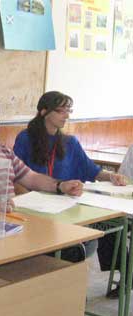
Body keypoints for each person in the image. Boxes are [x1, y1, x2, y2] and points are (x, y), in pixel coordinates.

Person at [13, 91, 128, 298]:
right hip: (35, 208)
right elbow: (17, 177)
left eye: (69, 111)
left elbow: (92, 170)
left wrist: (110, 177)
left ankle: (125, 274)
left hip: (66, 207)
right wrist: (24, 202)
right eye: (60, 110)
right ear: (43, 111)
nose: (66, 115)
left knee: (112, 223)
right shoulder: (25, 139)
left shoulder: (70, 143)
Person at [0, 93, 89, 262]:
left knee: (78, 241)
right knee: (70, 249)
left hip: (11, 224)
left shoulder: (2, 150)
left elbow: (30, 177)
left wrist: (60, 185)